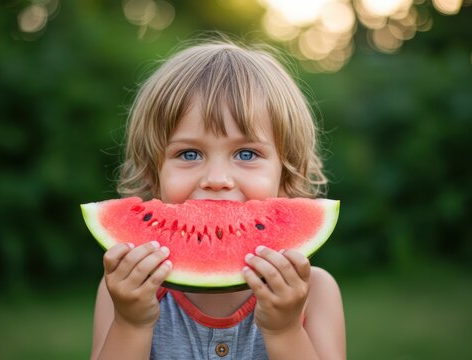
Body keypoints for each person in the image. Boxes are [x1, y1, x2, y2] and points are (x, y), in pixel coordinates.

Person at [91, 38, 346, 360]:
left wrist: (285, 330)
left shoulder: (316, 292)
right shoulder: (127, 287)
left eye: (246, 153)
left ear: (287, 171)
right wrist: (131, 323)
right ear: (152, 172)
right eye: (189, 153)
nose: (216, 179)